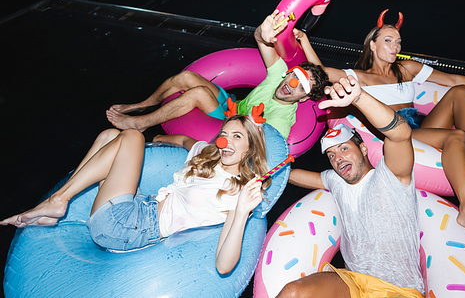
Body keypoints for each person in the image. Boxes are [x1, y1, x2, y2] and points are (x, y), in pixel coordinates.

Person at [293, 10, 465, 249]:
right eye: (388, 40)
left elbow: (453, 81)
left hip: (419, 125)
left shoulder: (406, 69)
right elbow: (321, 73)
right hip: (394, 133)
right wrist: (305, 40)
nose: (395, 46)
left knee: (462, 93)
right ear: (372, 44)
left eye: (398, 41)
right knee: (456, 135)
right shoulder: (357, 77)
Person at [1, 114, 269, 274]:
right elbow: (184, 141)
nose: (226, 141)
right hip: (141, 206)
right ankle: (57, 202)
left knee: (131, 136)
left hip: (131, 228)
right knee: (109, 136)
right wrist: (158, 142)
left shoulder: (236, 190)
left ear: (250, 149)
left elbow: (223, 266)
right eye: (224, 134)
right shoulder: (206, 155)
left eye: (236, 137)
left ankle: (58, 201)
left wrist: (243, 211)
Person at [279, 76, 424, 297]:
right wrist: (268, 170)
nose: (337, 158)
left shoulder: (390, 175)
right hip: (353, 282)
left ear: (364, 149)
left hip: (398, 289)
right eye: (331, 154)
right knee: (293, 292)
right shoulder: (336, 180)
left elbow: (401, 134)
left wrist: (359, 98)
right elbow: (296, 175)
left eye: (344, 149)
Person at [106, 10, 330, 139]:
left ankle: (141, 123)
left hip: (232, 123)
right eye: (295, 76)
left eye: (301, 87)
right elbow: (260, 40)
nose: (291, 85)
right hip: (234, 104)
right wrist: (263, 32)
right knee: (185, 78)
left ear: (303, 99)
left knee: (200, 93)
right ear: (290, 72)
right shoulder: (279, 74)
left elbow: (260, 145)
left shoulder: (282, 119)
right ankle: (142, 105)